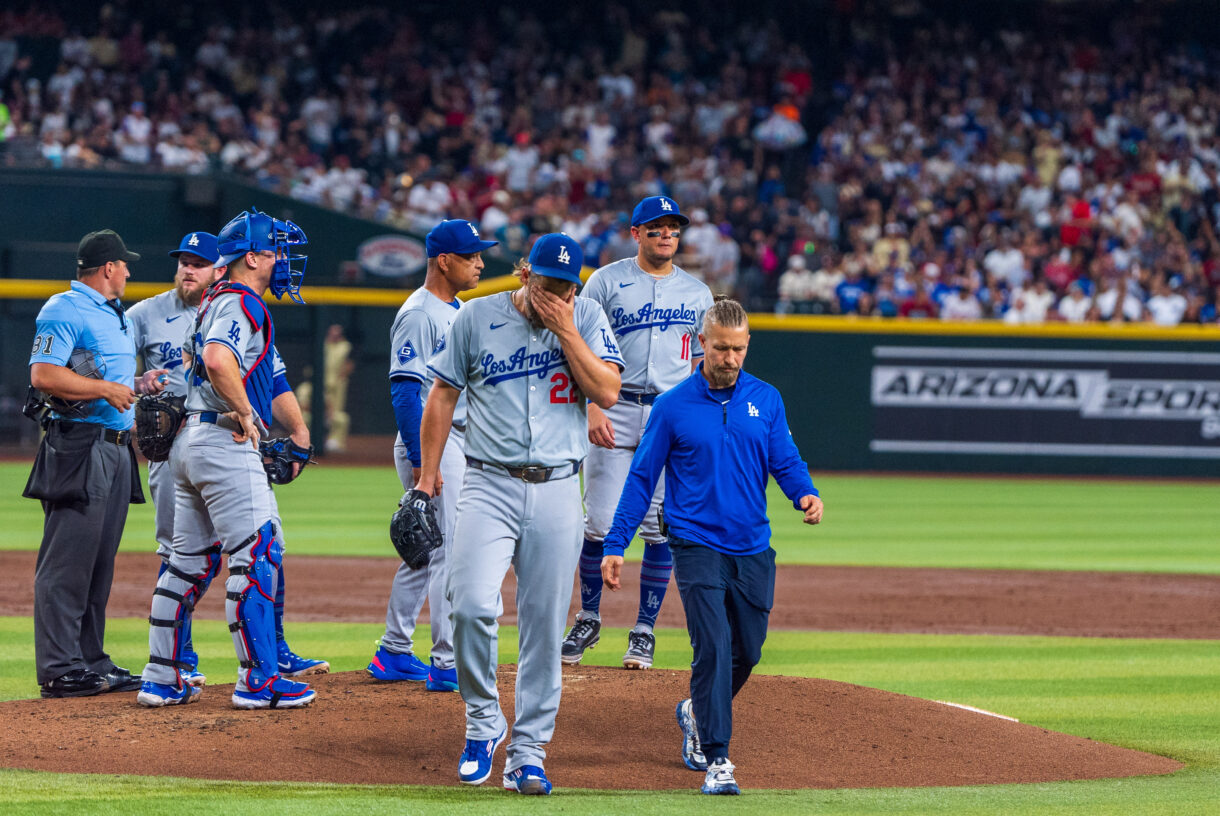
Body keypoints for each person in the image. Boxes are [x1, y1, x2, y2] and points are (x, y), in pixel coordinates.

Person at [418, 233, 622, 795]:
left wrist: (569, 331)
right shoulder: (476, 317)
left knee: (543, 629)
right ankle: (483, 721)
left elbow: (607, 390)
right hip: (488, 483)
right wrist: (427, 479)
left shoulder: (586, 317)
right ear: (525, 272)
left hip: (558, 489)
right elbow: (441, 394)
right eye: (546, 284)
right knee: (471, 606)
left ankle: (529, 752)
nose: (554, 295)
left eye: (565, 287)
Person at [601, 298, 823, 795]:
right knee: (714, 644)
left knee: (749, 649)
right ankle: (717, 757)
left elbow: (783, 457)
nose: (730, 357)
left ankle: (696, 711)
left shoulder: (766, 399)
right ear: (701, 343)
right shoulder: (673, 405)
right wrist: (616, 543)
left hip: (751, 544)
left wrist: (804, 492)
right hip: (694, 541)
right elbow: (642, 478)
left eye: (739, 349)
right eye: (721, 347)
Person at [131, 232, 326, 704]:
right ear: (253, 257)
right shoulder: (241, 301)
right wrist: (246, 412)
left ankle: (162, 675)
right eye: (276, 251)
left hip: (189, 442)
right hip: (222, 439)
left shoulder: (211, 300)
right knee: (258, 552)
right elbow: (219, 361)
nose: (283, 260)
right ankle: (259, 679)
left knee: (189, 562)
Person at [562, 195, 712, 670]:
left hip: (671, 412)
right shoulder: (605, 282)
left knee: (658, 527)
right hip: (616, 404)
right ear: (636, 233)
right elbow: (578, 347)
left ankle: (644, 630)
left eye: (672, 228)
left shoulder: (698, 293)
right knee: (600, 523)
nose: (666, 234)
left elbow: (700, 365)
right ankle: (588, 617)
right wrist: (590, 405)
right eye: (656, 227)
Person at [26, 229, 169, 698]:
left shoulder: (114, 315)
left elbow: (104, 377)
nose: (128, 270)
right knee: (66, 563)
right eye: (124, 264)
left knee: (97, 564)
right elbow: (44, 375)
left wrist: (135, 382)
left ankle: (91, 660)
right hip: (79, 446)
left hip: (116, 447)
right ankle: (59, 668)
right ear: (108, 268)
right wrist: (107, 390)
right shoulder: (63, 308)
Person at [366, 219, 496, 691]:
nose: (481, 262)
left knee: (426, 549)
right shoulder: (421, 313)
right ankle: (445, 663)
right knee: (450, 551)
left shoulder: (456, 309)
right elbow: (404, 391)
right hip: (435, 444)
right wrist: (426, 462)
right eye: (471, 255)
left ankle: (394, 651)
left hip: (449, 442)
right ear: (445, 260)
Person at [322, 323, 353, 452]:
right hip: (322, 383)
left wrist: (342, 376)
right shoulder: (323, 345)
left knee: (338, 415)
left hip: (338, 384)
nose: (334, 335)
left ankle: (335, 441)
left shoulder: (345, 346)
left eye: (337, 332)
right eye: (332, 332)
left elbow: (349, 363)